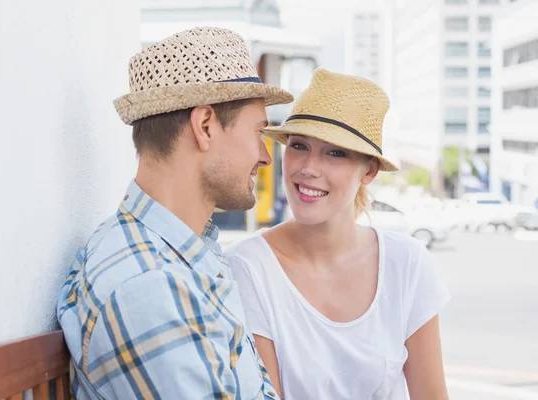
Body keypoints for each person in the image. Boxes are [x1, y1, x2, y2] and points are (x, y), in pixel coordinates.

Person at [57, 26, 293, 399]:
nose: (265, 156)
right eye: (257, 132)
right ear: (204, 126)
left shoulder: (181, 255)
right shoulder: (145, 287)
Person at [226, 69, 451, 400]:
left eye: (335, 153)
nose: (308, 168)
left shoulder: (407, 263)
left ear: (369, 170)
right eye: (299, 146)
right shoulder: (247, 268)